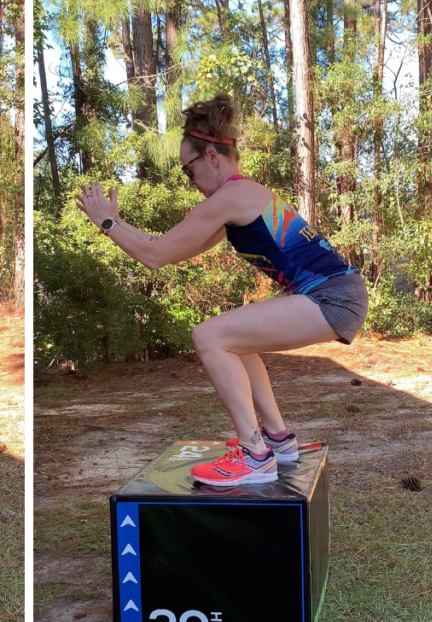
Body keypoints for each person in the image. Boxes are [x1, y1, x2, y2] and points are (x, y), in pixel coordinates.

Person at [75, 93, 368, 487]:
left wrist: (108, 225)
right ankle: (277, 441)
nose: (190, 181)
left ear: (212, 156)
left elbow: (155, 255)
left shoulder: (232, 197)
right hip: (336, 294)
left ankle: (254, 455)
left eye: (188, 171)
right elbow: (164, 248)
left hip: (332, 297)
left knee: (209, 335)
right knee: (234, 340)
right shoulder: (238, 200)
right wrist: (115, 223)